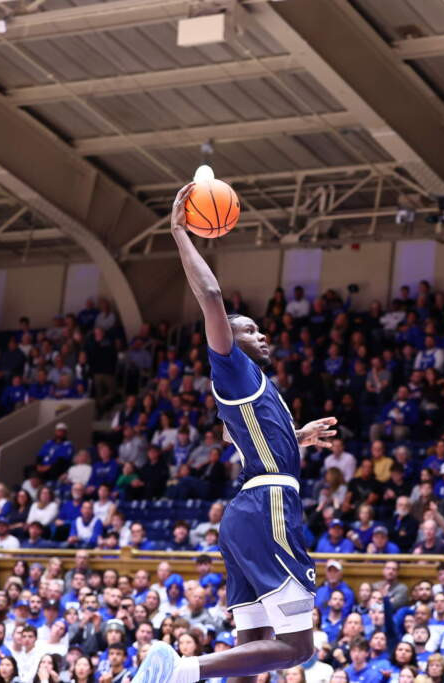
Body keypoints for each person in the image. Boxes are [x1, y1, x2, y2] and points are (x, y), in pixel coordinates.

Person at [132, 184, 340, 683]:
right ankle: (181, 669)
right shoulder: (232, 369)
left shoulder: (255, 388)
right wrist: (179, 231)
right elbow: (210, 296)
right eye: (248, 330)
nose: (260, 334)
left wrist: (296, 436)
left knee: (252, 649)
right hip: (268, 505)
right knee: (297, 647)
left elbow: (237, 438)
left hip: (245, 512)